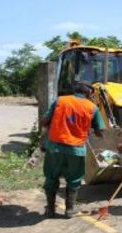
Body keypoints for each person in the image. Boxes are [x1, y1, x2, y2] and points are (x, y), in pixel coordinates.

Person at [29, 83, 105, 219]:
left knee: (51, 177)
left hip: (55, 148)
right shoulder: (92, 107)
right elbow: (100, 132)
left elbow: (44, 121)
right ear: (88, 94)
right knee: (74, 179)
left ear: (74, 91)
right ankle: (69, 210)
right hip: (76, 150)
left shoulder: (60, 100)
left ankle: (50, 210)